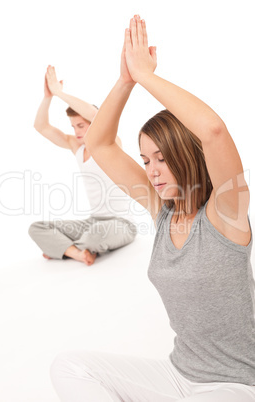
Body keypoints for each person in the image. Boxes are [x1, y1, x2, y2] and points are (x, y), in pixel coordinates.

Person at [49, 15, 255, 402]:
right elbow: (101, 142)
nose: (152, 171)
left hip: (233, 385)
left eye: (161, 158)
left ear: (185, 155)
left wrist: (146, 77)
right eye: (146, 161)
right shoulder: (160, 211)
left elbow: (212, 131)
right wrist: (125, 81)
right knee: (69, 366)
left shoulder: (227, 213)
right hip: (177, 375)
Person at [28, 66, 137, 266]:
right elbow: (41, 126)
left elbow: (97, 115)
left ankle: (63, 248)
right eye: (73, 127)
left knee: (94, 235)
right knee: (37, 228)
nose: (76, 132)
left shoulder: (109, 144)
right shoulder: (75, 147)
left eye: (81, 126)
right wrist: (48, 97)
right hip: (92, 221)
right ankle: (78, 253)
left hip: (121, 224)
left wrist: (60, 92)